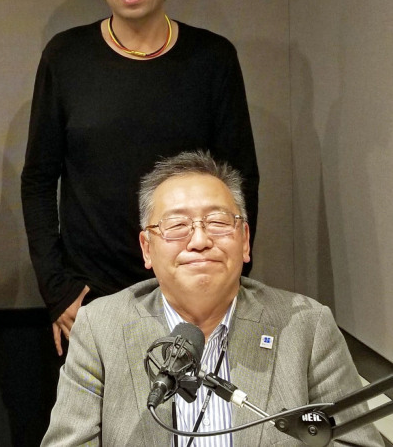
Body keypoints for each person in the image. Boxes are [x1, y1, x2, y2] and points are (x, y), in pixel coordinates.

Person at [21, 0, 259, 356]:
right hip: (91, 295)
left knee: (199, 404)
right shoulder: (66, 57)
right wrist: (57, 290)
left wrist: (232, 280)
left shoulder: (212, 58)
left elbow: (241, 178)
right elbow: (38, 180)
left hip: (193, 285)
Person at [41, 151, 382, 446]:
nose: (200, 240)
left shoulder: (307, 326)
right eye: (177, 225)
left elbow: (355, 442)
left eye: (218, 221)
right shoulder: (100, 328)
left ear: (244, 240)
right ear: (147, 248)